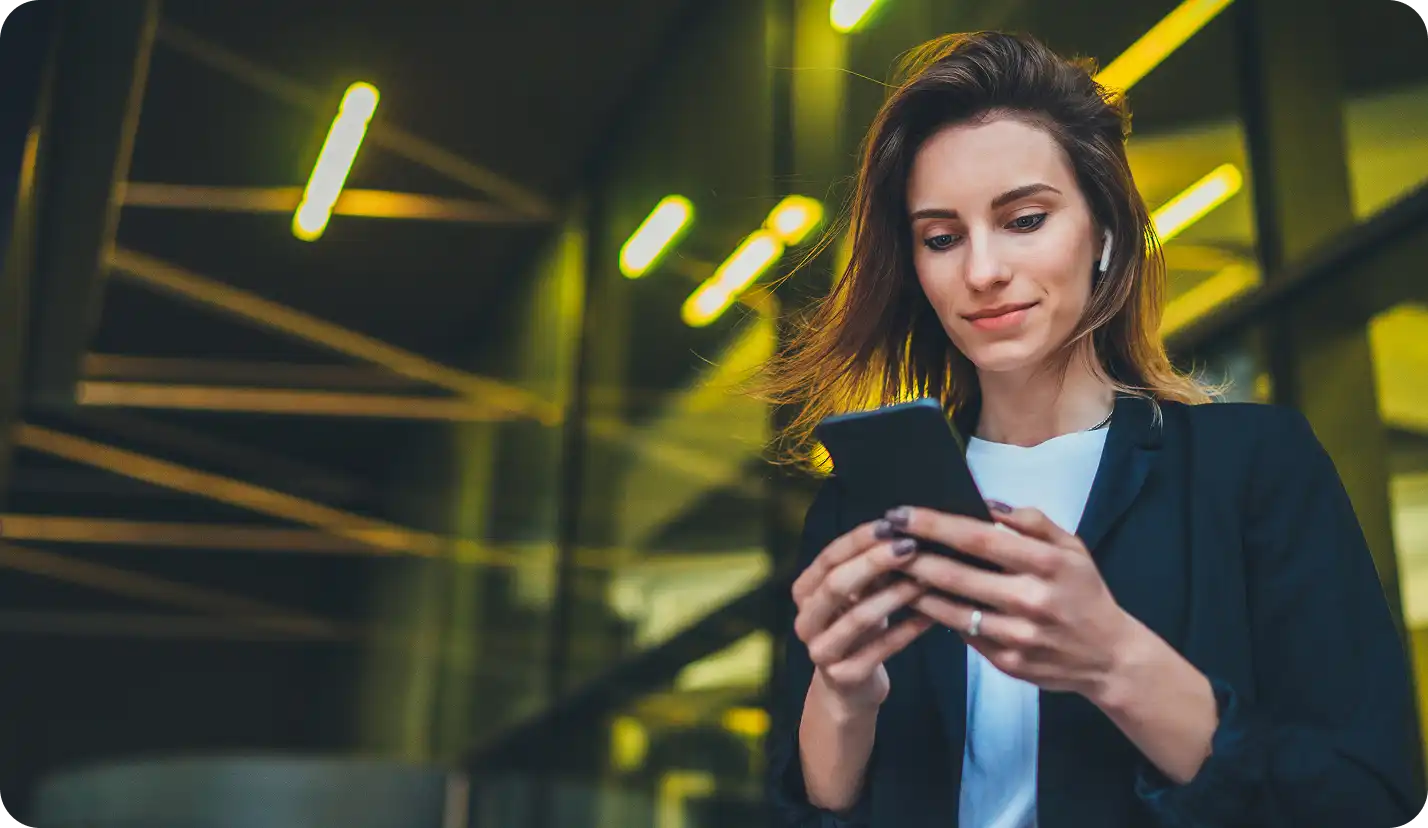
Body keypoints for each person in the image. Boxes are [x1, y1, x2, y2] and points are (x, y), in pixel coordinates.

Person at [758, 30, 1425, 828]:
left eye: (1025, 219)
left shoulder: (1252, 469)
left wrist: (1114, 659)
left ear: (1104, 232)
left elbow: (1365, 798)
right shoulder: (863, 512)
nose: (981, 271)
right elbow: (812, 809)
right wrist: (842, 692)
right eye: (942, 238)